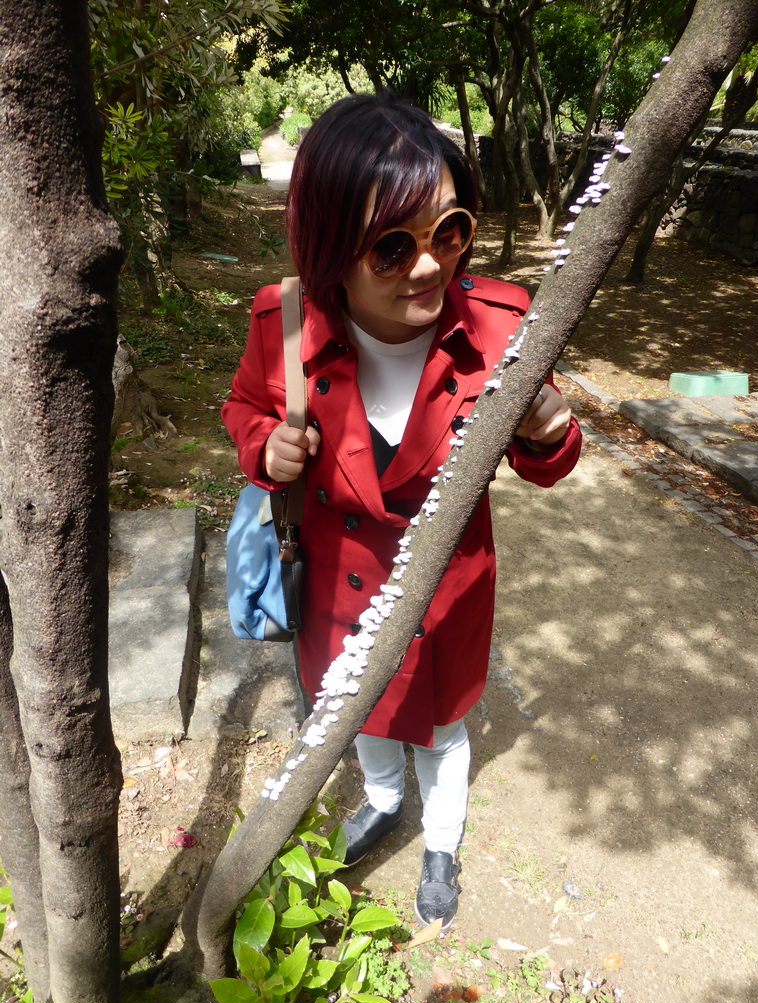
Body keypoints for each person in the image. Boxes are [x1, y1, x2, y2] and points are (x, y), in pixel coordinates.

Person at [222, 92, 581, 930]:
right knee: (362, 713)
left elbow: (546, 463)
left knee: (443, 726)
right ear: (329, 248)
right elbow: (243, 407)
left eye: (447, 232)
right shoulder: (285, 327)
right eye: (392, 247)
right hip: (341, 591)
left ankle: (441, 842)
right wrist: (264, 446)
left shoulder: (500, 328)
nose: (428, 268)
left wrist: (553, 429)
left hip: (447, 586)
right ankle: (382, 802)